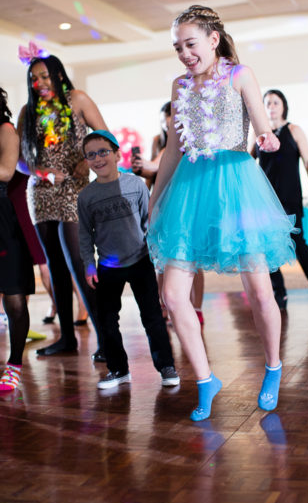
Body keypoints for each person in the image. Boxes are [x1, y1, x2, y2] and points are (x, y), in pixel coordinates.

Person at [147, 5, 298, 421]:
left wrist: (267, 139)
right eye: (178, 47)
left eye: (190, 44)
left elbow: (262, 127)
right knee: (173, 295)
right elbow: (173, 151)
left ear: (213, 39)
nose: (184, 53)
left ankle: (272, 367)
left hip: (236, 186)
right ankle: (205, 379)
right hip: (190, 191)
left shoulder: (240, 75)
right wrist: (156, 203)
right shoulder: (180, 86)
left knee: (259, 291)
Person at [18, 47, 108, 359]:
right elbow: (18, 160)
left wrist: (89, 158)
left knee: (81, 262)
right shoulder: (28, 112)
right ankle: (66, 337)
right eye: (33, 78)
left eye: (44, 76)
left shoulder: (78, 100)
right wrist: (40, 172)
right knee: (55, 266)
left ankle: (106, 340)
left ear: (57, 75)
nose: (39, 82)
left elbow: (104, 134)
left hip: (75, 189)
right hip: (41, 194)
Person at [78, 130, 180, 390]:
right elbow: (84, 235)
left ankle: (166, 366)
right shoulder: (86, 197)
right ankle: (118, 369)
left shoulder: (136, 185)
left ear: (116, 154)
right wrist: (89, 264)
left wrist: (157, 252)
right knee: (107, 321)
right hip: (108, 267)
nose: (98, 158)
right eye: (91, 155)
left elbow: (149, 222)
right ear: (87, 161)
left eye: (103, 152)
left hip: (140, 261)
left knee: (153, 317)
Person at [131, 102, 205, 325]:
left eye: (171, 118)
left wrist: (147, 165)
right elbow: (153, 172)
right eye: (165, 120)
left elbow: (158, 165)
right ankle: (166, 305)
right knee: (163, 257)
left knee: (191, 258)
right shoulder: (159, 142)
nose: (168, 123)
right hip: (163, 201)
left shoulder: (187, 141)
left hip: (186, 203)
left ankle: (197, 307)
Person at [254, 90, 308, 313]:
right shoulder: (259, 135)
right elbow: (247, 162)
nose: (272, 106)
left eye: (276, 102)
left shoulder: (294, 131)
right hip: (266, 201)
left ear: (283, 106)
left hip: (290, 197)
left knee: (298, 244)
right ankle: (279, 293)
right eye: (268, 103)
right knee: (267, 248)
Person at [0, 86, 34, 391]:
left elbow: (7, 171)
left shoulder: (6, 129)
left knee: (14, 298)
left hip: (1, 220)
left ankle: (14, 363)